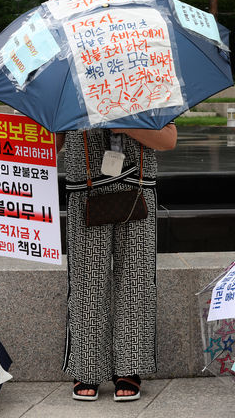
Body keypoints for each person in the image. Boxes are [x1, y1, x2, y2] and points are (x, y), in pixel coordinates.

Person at [57, 125, 176, 401]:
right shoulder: (66, 85)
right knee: (87, 283)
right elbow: (53, 146)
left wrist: (126, 124)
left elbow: (168, 139)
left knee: (136, 280)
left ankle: (130, 367)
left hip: (138, 187)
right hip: (84, 189)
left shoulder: (148, 82)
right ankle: (87, 367)